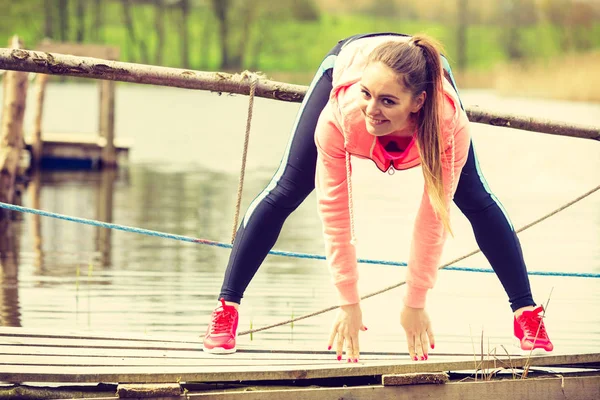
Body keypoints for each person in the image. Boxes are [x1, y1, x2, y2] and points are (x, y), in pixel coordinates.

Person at [201, 32, 554, 361]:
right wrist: (347, 300)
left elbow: (433, 217)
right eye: (368, 95)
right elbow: (335, 211)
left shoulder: (447, 125)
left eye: (387, 101)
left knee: (475, 196)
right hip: (348, 60)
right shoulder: (342, 114)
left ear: (418, 102)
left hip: (424, 77)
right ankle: (226, 308)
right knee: (288, 187)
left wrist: (415, 302)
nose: (372, 109)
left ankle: (526, 312)